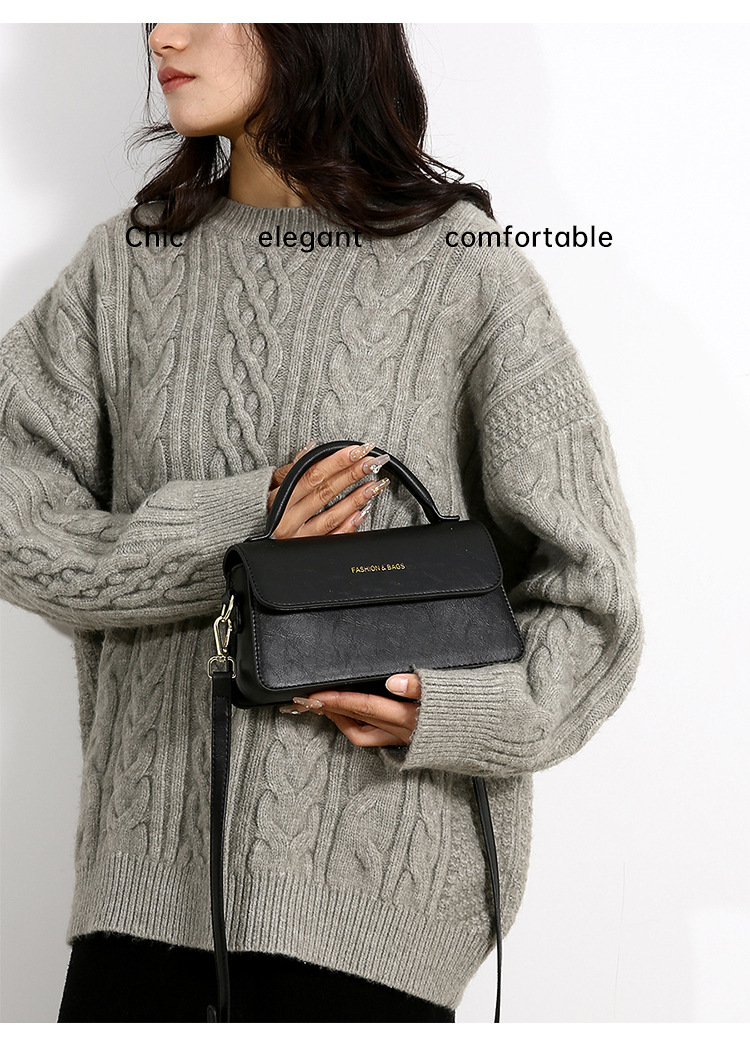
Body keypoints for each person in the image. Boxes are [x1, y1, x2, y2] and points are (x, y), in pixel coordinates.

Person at [0, 23, 644, 1023]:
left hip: (376, 923)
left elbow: (591, 597)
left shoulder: (465, 272)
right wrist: (236, 534)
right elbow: (14, 521)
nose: (164, 31)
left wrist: (457, 710)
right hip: (140, 908)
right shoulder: (124, 265)